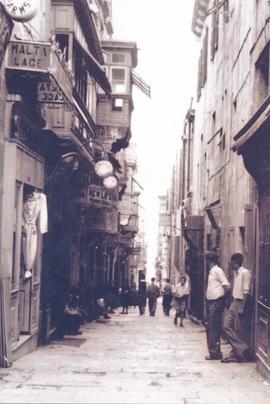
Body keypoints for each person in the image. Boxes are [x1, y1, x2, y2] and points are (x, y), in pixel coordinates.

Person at [221, 253, 252, 363]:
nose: (230, 265)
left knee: (237, 329)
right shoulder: (236, 274)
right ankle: (242, 347)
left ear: (236, 263)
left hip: (240, 303)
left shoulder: (245, 273)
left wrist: (242, 307)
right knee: (226, 325)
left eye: (232, 263)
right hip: (234, 302)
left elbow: (246, 291)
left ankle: (236, 354)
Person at [205, 252, 230, 360]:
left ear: (210, 261)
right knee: (210, 327)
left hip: (216, 302)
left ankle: (215, 353)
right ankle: (214, 352)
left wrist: (223, 299)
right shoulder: (212, 271)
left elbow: (227, 285)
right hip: (211, 302)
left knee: (213, 327)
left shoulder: (217, 271)